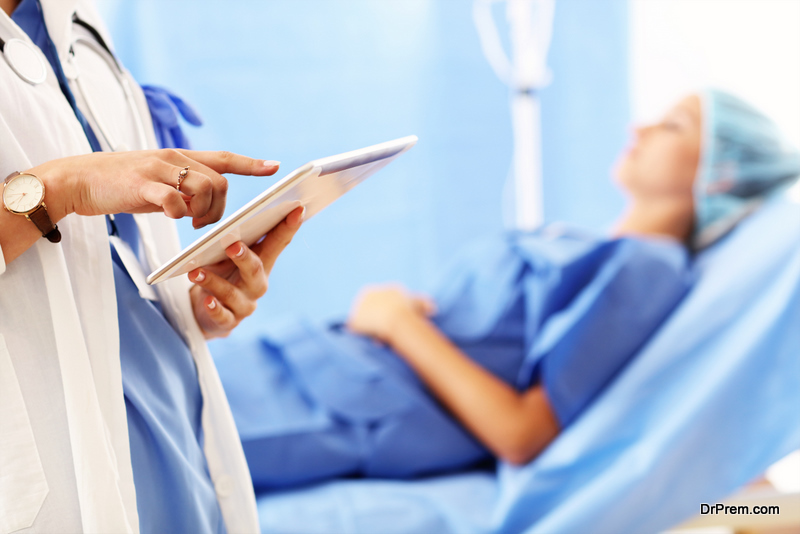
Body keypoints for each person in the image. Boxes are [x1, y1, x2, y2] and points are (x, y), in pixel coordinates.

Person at [214, 90, 800, 491]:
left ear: (721, 172)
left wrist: (399, 322)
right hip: (317, 370)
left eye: (673, 125)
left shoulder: (645, 271)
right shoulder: (587, 246)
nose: (639, 127)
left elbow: (522, 434)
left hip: (342, 409)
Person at [0, 0, 302, 532]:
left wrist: (195, 309)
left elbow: (101, 261)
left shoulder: (72, 20)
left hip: (171, 432)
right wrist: (64, 187)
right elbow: (73, 191)